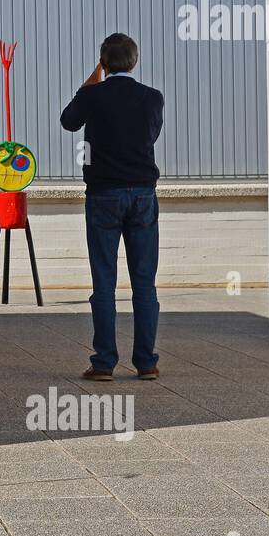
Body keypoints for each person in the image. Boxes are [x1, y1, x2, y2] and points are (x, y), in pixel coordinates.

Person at [59, 32, 165, 381]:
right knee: (144, 282)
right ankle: (146, 362)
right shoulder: (152, 98)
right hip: (143, 194)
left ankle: (104, 363)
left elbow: (68, 121)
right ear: (135, 61)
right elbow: (149, 136)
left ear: (103, 63)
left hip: (103, 194)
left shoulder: (92, 96)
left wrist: (93, 79)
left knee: (104, 280)